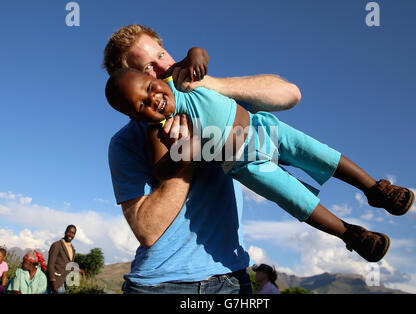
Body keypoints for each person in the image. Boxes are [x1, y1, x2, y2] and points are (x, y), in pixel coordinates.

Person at [105, 67, 415, 263]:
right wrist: (181, 155)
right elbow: (161, 169)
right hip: (246, 165)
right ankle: (352, 234)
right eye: (141, 106)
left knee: (320, 154)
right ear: (136, 117)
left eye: (149, 88)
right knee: (294, 198)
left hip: (264, 130)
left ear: (154, 77)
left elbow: (194, 57)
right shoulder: (159, 131)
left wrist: (197, 56)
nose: (153, 100)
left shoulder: (179, 82)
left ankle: (375, 189)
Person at [103, 24, 302, 294]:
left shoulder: (211, 101)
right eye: (147, 68)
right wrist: (184, 157)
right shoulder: (125, 142)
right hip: (162, 284)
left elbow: (289, 94)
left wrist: (211, 86)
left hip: (232, 277)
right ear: (128, 82)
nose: (162, 69)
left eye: (161, 55)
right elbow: (147, 230)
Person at [47, 225, 77, 294]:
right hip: (55, 284)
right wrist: (53, 283)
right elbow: (50, 265)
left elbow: (69, 265)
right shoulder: (56, 245)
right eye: (69, 232)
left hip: (64, 284)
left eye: (73, 233)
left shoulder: (72, 248)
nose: (70, 235)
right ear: (65, 232)